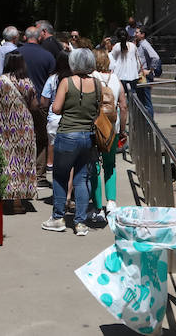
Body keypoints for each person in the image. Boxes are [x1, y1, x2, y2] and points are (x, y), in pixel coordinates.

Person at [42, 48, 99, 236]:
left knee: (60, 176)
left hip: (67, 133)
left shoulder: (66, 82)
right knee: (82, 179)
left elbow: (56, 108)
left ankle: (58, 218)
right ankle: (80, 222)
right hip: (88, 135)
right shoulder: (97, 84)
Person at [0, 52, 38, 213]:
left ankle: (3, 198)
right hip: (25, 128)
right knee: (22, 163)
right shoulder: (27, 82)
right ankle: (18, 203)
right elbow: (34, 105)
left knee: (5, 161)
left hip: (3, 126)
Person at [92, 49, 125, 217]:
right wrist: (123, 129)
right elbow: (123, 106)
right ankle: (111, 201)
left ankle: (98, 206)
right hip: (113, 127)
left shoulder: (91, 78)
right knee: (110, 164)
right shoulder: (116, 79)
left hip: (95, 126)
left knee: (94, 166)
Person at [109, 30, 142, 114]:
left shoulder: (116, 46)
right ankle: (133, 117)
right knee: (132, 98)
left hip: (119, 77)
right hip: (133, 76)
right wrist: (137, 71)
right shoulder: (133, 46)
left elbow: (112, 60)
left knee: (120, 100)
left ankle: (121, 117)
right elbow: (137, 60)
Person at [132, 28, 161, 119]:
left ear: (142, 34)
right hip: (140, 76)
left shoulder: (145, 44)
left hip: (144, 76)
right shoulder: (139, 45)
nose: (135, 34)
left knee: (146, 101)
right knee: (142, 100)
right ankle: (144, 121)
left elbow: (155, 57)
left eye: (137, 32)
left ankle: (149, 122)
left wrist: (150, 70)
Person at [17, 26, 55, 94]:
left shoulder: (14, 54)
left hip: (19, 96)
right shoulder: (48, 56)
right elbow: (52, 82)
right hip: (40, 97)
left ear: (25, 37)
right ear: (39, 38)